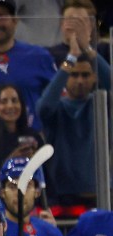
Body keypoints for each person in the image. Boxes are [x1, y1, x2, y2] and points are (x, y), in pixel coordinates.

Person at [38, 32, 111, 212]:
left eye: (86, 75)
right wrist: (69, 60)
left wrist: (89, 50)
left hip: (99, 193)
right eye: (74, 74)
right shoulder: (57, 109)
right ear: (66, 76)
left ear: (94, 77)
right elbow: (43, 107)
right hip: (63, 197)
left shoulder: (101, 105)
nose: (79, 80)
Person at [0, 0, 56, 134]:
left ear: (15, 20)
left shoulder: (39, 56)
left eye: (2, 16)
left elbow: (56, 100)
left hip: (32, 143)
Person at [0, 83, 46, 198]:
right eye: (4, 101)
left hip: (31, 202)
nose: (10, 106)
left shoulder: (34, 138)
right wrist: (10, 162)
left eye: (15, 100)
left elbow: (44, 179)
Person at [0, 157, 64, 236]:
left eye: (27, 186)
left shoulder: (51, 234)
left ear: (37, 192)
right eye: (13, 187)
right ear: (2, 192)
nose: (20, 194)